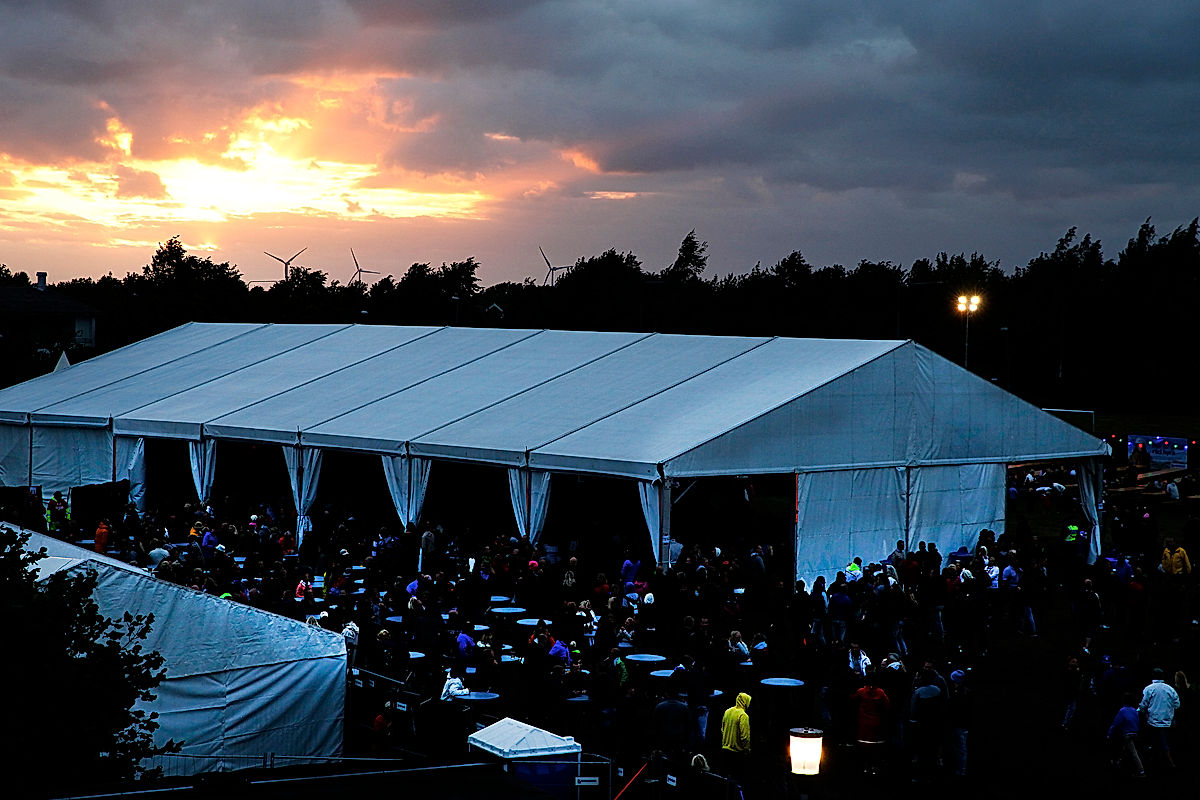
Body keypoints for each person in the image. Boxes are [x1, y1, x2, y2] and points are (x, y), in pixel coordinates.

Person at [1139, 668, 1181, 768]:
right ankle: (1167, 762)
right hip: (1168, 722)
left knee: (1154, 743)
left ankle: (1158, 763)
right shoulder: (1170, 689)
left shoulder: (1149, 688)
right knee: (1165, 743)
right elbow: (1177, 704)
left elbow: (1143, 705)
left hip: (1152, 722)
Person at [1107, 693, 1144, 777]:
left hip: (1126, 734)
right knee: (1127, 750)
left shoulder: (1122, 710)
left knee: (1133, 752)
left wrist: (1109, 734)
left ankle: (1141, 771)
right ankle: (1120, 763)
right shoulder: (1135, 711)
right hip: (1135, 733)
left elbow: (1115, 723)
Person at [720, 692, 752, 783]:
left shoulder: (727, 711)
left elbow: (722, 729)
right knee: (736, 781)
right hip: (737, 754)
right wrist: (747, 750)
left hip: (725, 750)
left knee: (725, 779)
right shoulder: (743, 715)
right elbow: (745, 737)